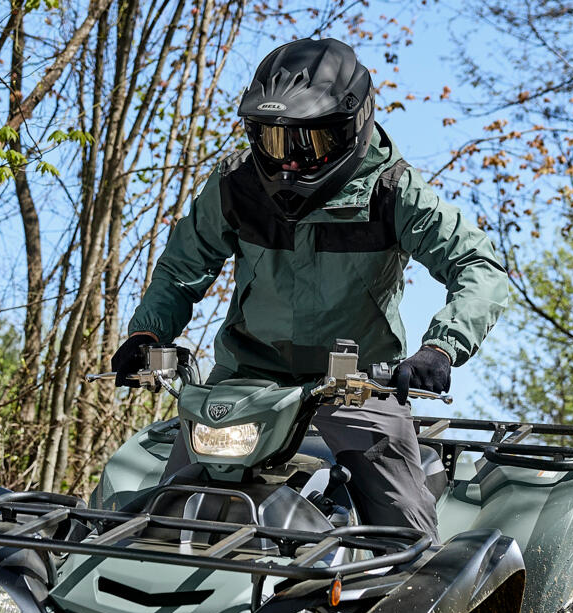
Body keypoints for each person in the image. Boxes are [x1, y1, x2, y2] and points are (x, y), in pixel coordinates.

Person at [113, 38, 509, 534]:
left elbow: (478, 265)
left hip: (358, 387)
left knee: (402, 527)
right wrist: (147, 333)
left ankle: (406, 573)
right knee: (164, 515)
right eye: (274, 141)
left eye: (309, 142)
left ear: (351, 127)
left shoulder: (392, 190)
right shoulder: (235, 184)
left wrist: (441, 348)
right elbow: (180, 269)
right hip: (245, 383)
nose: (290, 162)